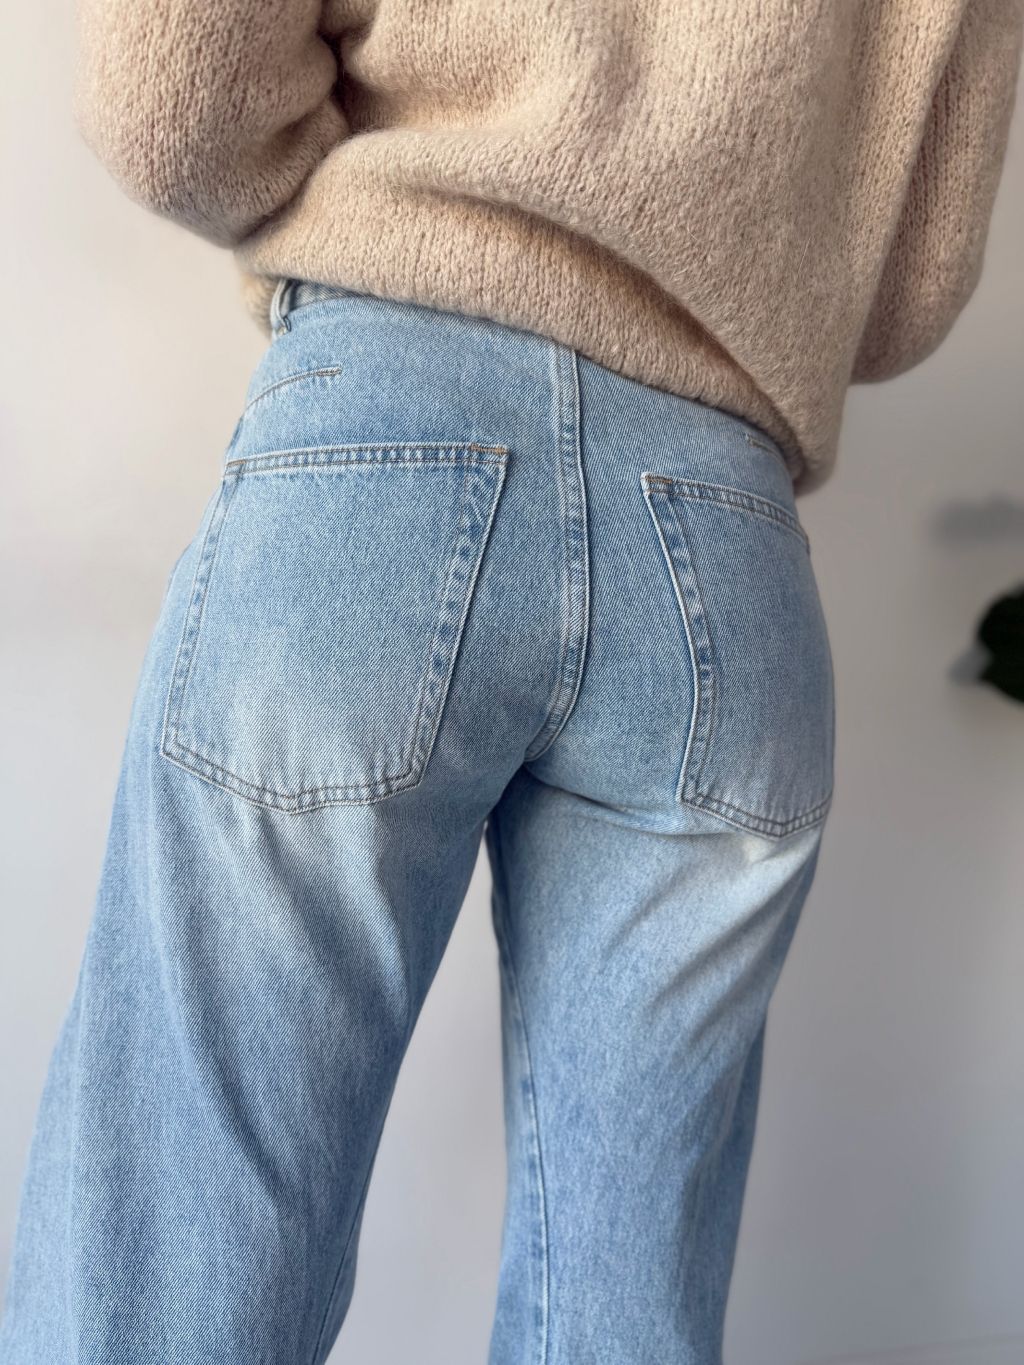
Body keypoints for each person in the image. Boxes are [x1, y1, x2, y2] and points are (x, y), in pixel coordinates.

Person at [1, 3, 1020, 1362]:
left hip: (381, 450)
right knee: (620, 1322)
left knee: (172, 1288)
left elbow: (169, 100)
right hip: (722, 541)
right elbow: (908, 283)